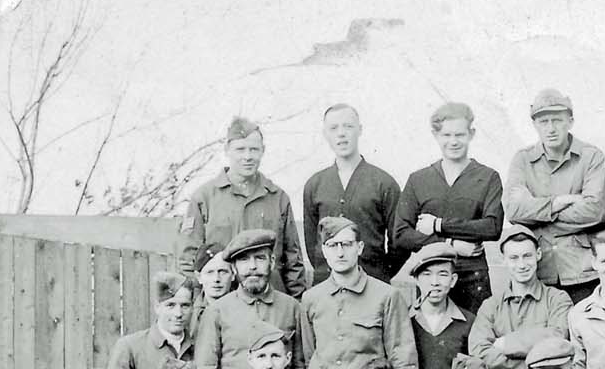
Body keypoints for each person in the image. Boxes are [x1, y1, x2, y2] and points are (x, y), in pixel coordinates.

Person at [301, 216, 417, 369]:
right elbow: (307, 358)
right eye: (332, 245)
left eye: (347, 244)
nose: (340, 252)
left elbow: (404, 362)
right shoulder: (311, 298)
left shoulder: (386, 296)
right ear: (324, 251)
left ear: (360, 247)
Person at [393, 101, 505, 313]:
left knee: (475, 339)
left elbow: (492, 227)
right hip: (430, 276)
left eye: (460, 135)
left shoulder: (488, 177)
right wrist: (450, 244)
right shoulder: (418, 180)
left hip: (473, 277)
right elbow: (401, 234)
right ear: (436, 135)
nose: (453, 142)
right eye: (446, 135)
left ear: (471, 134)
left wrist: (438, 224)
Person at [179, 117, 307, 297]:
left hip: (269, 304)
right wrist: (200, 307)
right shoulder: (204, 197)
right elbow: (189, 261)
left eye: (254, 149)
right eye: (240, 149)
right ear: (227, 151)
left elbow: (292, 260)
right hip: (222, 305)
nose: (247, 157)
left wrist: (297, 302)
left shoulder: (277, 198)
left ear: (263, 151)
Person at [193, 229, 315, 369]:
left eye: (260, 258)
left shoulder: (291, 308)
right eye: (243, 260)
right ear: (233, 268)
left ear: (272, 262)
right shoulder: (217, 311)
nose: (252, 267)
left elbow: (301, 368)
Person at [503, 88, 605, 297]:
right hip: (540, 272)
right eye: (543, 122)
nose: (551, 128)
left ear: (570, 121)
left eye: (557, 120)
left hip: (583, 272)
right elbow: (513, 211)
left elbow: (594, 211)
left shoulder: (591, 156)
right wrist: (558, 203)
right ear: (534, 125)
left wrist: (537, 214)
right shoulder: (523, 160)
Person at [466, 225, 572, 369]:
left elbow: (557, 339)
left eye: (527, 256)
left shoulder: (557, 299)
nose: (521, 265)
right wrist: (534, 365)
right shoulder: (491, 306)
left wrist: (506, 344)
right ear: (504, 260)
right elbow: (479, 353)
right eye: (514, 258)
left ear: (538, 254)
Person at [301, 103, 403, 288]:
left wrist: (378, 273)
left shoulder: (383, 183)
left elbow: (399, 243)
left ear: (360, 130)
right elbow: (311, 243)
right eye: (334, 128)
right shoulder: (315, 184)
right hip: (327, 286)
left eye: (348, 126)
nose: (341, 133)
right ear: (325, 134)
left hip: (372, 285)